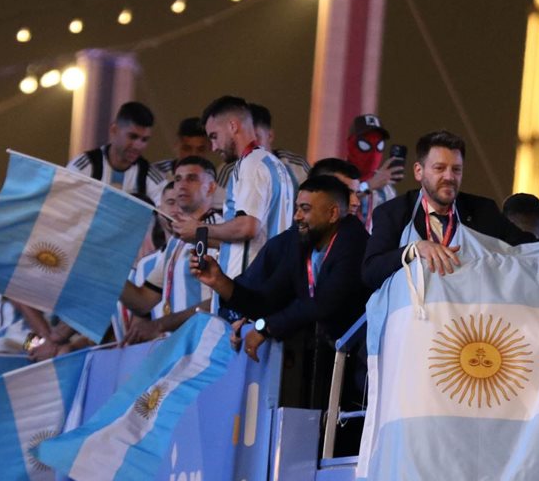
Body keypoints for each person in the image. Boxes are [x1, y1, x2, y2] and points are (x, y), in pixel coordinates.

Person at [192, 176, 369, 362]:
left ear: (333, 214)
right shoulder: (299, 242)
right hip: (319, 357)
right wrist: (219, 281)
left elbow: (324, 302)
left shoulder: (355, 243)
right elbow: (268, 301)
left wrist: (266, 328)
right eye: (297, 208)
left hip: (357, 360)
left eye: (305, 209)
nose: (297, 216)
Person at [362, 130, 536, 289]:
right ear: (418, 171)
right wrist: (414, 250)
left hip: (466, 313)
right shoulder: (393, 212)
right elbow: (371, 272)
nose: (449, 177)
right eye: (439, 168)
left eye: (456, 169)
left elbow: (528, 249)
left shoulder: (483, 211)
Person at [177, 96, 294, 289]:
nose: (213, 147)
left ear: (233, 126)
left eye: (214, 136)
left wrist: (200, 229)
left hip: (247, 289)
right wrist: (204, 239)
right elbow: (259, 237)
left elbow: (248, 227)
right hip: (266, 284)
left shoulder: (250, 164)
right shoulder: (275, 165)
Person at [118, 157, 222, 344]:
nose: (181, 185)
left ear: (211, 187)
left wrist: (160, 325)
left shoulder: (219, 232)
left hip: (207, 344)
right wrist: (105, 270)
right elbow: (143, 301)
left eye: (191, 178)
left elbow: (223, 300)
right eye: (178, 179)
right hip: (178, 348)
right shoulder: (176, 241)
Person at [67, 101, 166, 204]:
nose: (138, 146)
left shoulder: (152, 178)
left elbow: (165, 210)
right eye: (133, 137)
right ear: (114, 130)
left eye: (144, 140)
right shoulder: (83, 167)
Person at [214, 104, 312, 209]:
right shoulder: (229, 170)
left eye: (255, 138)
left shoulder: (297, 166)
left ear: (270, 136)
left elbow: (313, 206)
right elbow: (220, 211)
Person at [346, 114, 406, 230]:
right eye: (364, 145)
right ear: (351, 144)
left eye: (379, 145)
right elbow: (335, 205)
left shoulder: (386, 190)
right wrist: (368, 186)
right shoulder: (336, 176)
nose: (373, 154)